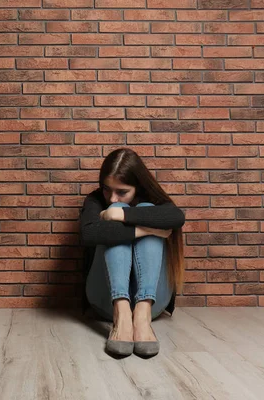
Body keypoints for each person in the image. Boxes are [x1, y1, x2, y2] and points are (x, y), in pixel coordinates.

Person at [79, 148, 186, 359]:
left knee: (147, 210)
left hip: (153, 301)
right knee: (127, 226)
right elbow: (89, 233)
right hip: (105, 300)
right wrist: (147, 229)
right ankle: (122, 313)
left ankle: (142, 315)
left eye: (122, 192)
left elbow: (176, 217)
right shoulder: (94, 200)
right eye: (106, 189)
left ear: (138, 186)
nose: (111, 198)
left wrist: (119, 213)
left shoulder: (152, 201)